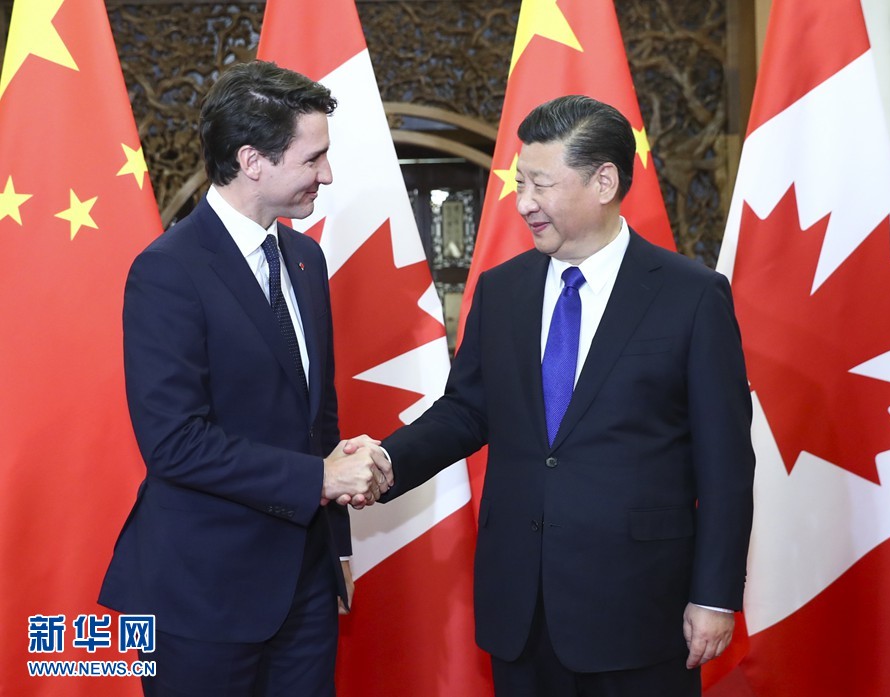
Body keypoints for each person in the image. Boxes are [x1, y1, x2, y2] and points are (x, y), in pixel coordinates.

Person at [374, 95, 755, 697]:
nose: (524, 202)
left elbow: (726, 462)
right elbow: (468, 410)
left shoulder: (692, 296)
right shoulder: (501, 291)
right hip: (521, 607)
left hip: (639, 607)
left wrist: (714, 595)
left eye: (541, 185)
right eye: (521, 183)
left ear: (604, 181)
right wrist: (385, 460)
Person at [99, 60, 392, 697]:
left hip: (306, 588)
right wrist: (319, 479)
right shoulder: (167, 271)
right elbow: (175, 442)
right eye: (313, 158)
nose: (327, 174)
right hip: (203, 596)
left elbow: (319, 420)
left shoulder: (305, 259)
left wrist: (338, 544)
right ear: (252, 161)